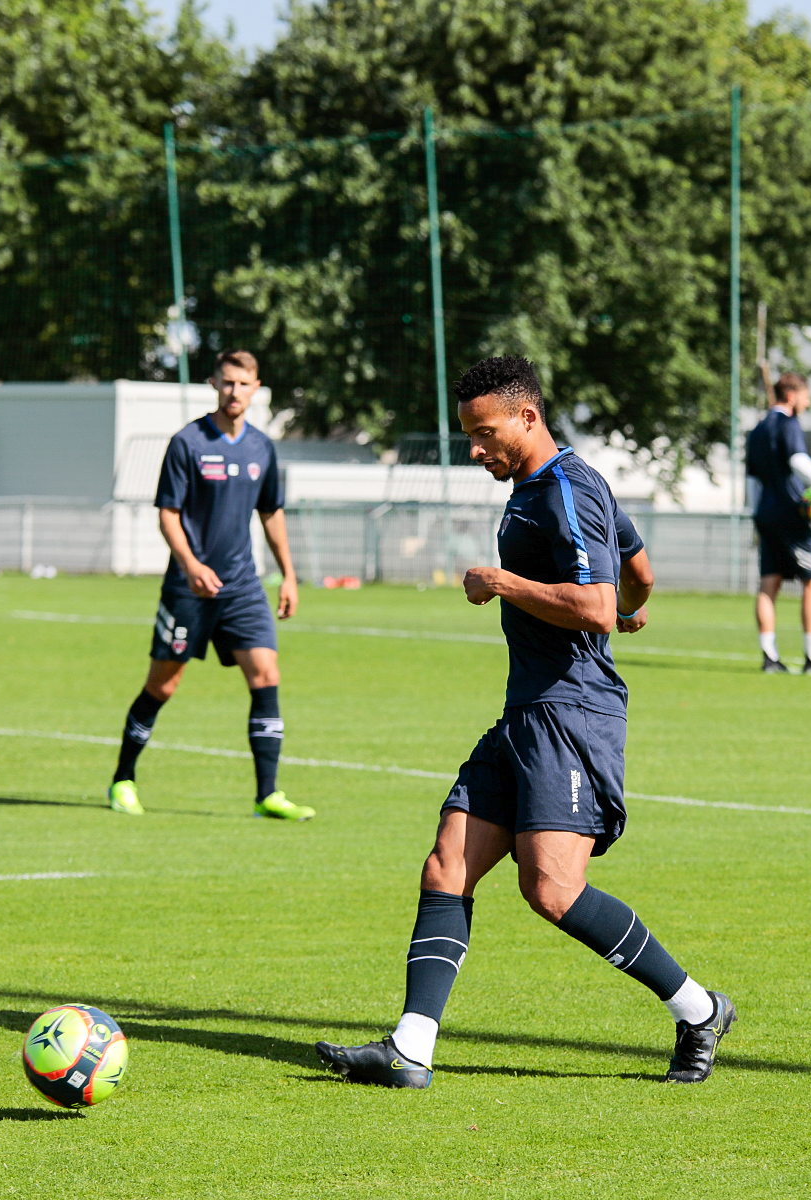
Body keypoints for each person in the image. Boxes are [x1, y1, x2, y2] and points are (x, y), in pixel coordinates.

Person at [314, 356, 733, 1089]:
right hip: (527, 711)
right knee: (448, 862)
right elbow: (639, 573)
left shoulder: (566, 490)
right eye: (470, 435)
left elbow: (598, 605)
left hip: (571, 712)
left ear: (527, 417)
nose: (476, 450)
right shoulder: (549, 486)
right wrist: (631, 607)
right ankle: (412, 1049)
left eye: (485, 434)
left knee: (552, 891)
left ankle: (698, 1009)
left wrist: (505, 582)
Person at [106, 349, 314, 821]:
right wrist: (191, 564)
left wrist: (289, 575)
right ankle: (122, 779)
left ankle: (267, 795)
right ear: (213, 384)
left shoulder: (262, 447)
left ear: (256, 388)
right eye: (226, 383)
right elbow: (168, 514)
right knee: (164, 685)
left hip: (243, 587)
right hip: (189, 589)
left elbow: (271, 513)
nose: (234, 391)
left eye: (243, 384)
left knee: (266, 675)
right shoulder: (188, 442)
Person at [745, 372, 811, 675]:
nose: (807, 402)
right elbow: (798, 459)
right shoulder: (788, 423)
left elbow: (752, 480)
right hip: (789, 513)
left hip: (764, 512)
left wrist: (756, 517)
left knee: (768, 584)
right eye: (806, 396)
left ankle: (770, 659)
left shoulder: (757, 429)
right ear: (791, 395)